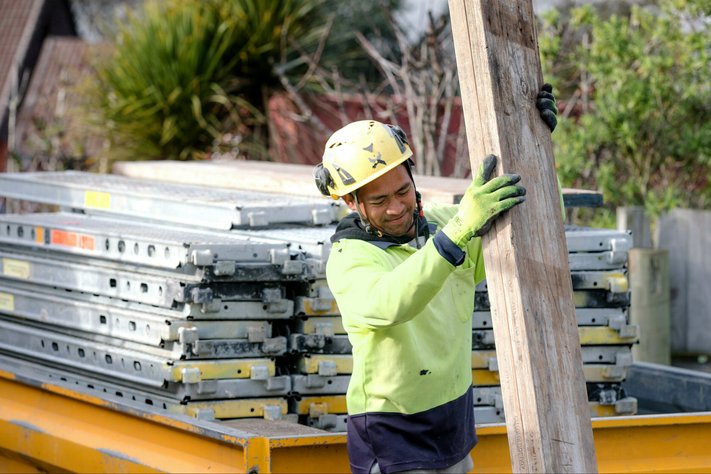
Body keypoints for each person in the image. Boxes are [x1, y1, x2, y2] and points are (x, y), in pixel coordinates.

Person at [313, 87, 558, 474]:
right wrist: (458, 231)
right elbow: (392, 302)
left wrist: (535, 147)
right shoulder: (350, 258)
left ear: (412, 177)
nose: (396, 208)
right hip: (393, 431)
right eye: (378, 201)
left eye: (402, 191)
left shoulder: (445, 226)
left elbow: (523, 225)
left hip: (453, 420)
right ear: (350, 203)